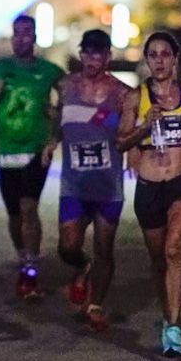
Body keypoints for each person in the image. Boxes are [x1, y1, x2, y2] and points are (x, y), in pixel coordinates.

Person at [117, 31, 181, 361]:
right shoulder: (136, 98)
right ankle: (168, 317)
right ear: (147, 60)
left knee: (174, 249)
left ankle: (174, 328)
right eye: (153, 55)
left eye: (165, 54)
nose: (159, 61)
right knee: (159, 261)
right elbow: (119, 143)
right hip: (149, 189)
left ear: (175, 59)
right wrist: (144, 128)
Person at [0, 14, 65, 299]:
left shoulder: (49, 71)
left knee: (29, 207)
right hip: (7, 151)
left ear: (35, 37)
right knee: (14, 215)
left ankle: (30, 270)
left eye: (26, 33)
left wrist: (56, 129)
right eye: (16, 33)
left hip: (36, 150)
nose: (21, 38)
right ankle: (24, 256)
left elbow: (71, 98)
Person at [57, 29, 130, 332]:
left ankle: (96, 304)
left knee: (105, 248)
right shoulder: (65, 87)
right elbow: (55, 119)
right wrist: (50, 144)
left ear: (108, 57)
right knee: (67, 246)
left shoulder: (122, 93)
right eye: (87, 52)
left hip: (107, 184)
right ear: (80, 54)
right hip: (74, 183)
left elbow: (128, 134)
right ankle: (81, 267)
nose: (91, 59)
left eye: (98, 53)